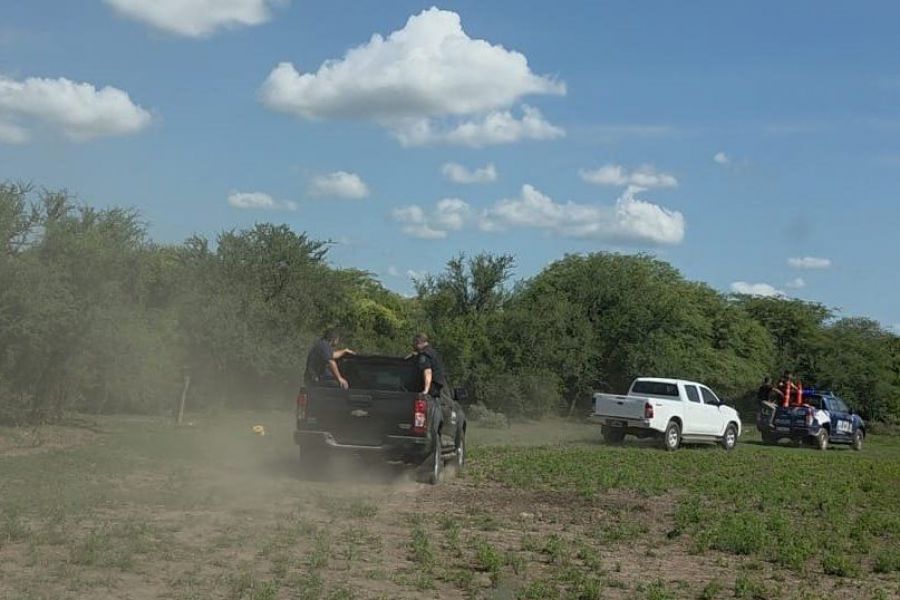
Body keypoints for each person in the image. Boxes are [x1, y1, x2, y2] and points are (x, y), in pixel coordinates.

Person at [410, 333, 447, 397]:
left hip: (432, 388)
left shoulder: (425, 355)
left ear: (420, 342)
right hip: (437, 387)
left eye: (415, 344)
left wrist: (426, 390)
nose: (414, 346)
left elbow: (428, 372)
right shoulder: (433, 352)